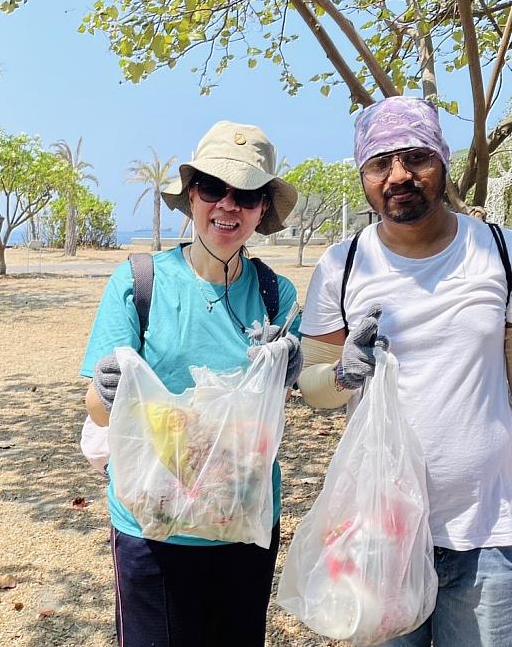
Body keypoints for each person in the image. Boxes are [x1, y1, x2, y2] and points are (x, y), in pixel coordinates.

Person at [296, 96, 512, 647]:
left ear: (443, 161)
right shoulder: (341, 267)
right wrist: (342, 374)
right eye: (379, 163)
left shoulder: (502, 254)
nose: (399, 176)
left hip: (487, 534)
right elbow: (313, 388)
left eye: (416, 157)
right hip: (380, 534)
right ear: (363, 175)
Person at [80, 121, 303, 647]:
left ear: (262, 208)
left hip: (243, 522)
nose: (228, 205)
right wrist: (110, 388)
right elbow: (96, 407)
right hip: (153, 528)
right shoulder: (140, 282)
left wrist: (289, 372)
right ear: (192, 195)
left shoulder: (278, 294)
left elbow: (276, 409)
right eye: (213, 189)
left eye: (246, 194)